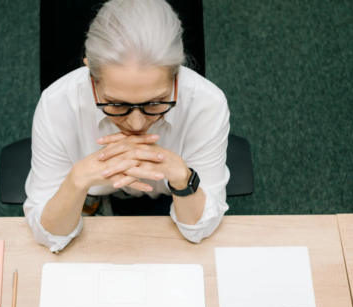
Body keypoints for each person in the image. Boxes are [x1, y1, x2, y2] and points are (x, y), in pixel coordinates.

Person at [24, 0, 230, 252]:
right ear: (91, 75)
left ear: (177, 76)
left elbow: (198, 229)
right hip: (91, 204)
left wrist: (183, 178)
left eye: (155, 103)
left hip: (167, 204)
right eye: (116, 104)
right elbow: (48, 235)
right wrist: (76, 181)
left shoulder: (206, 103)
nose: (136, 124)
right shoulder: (57, 104)